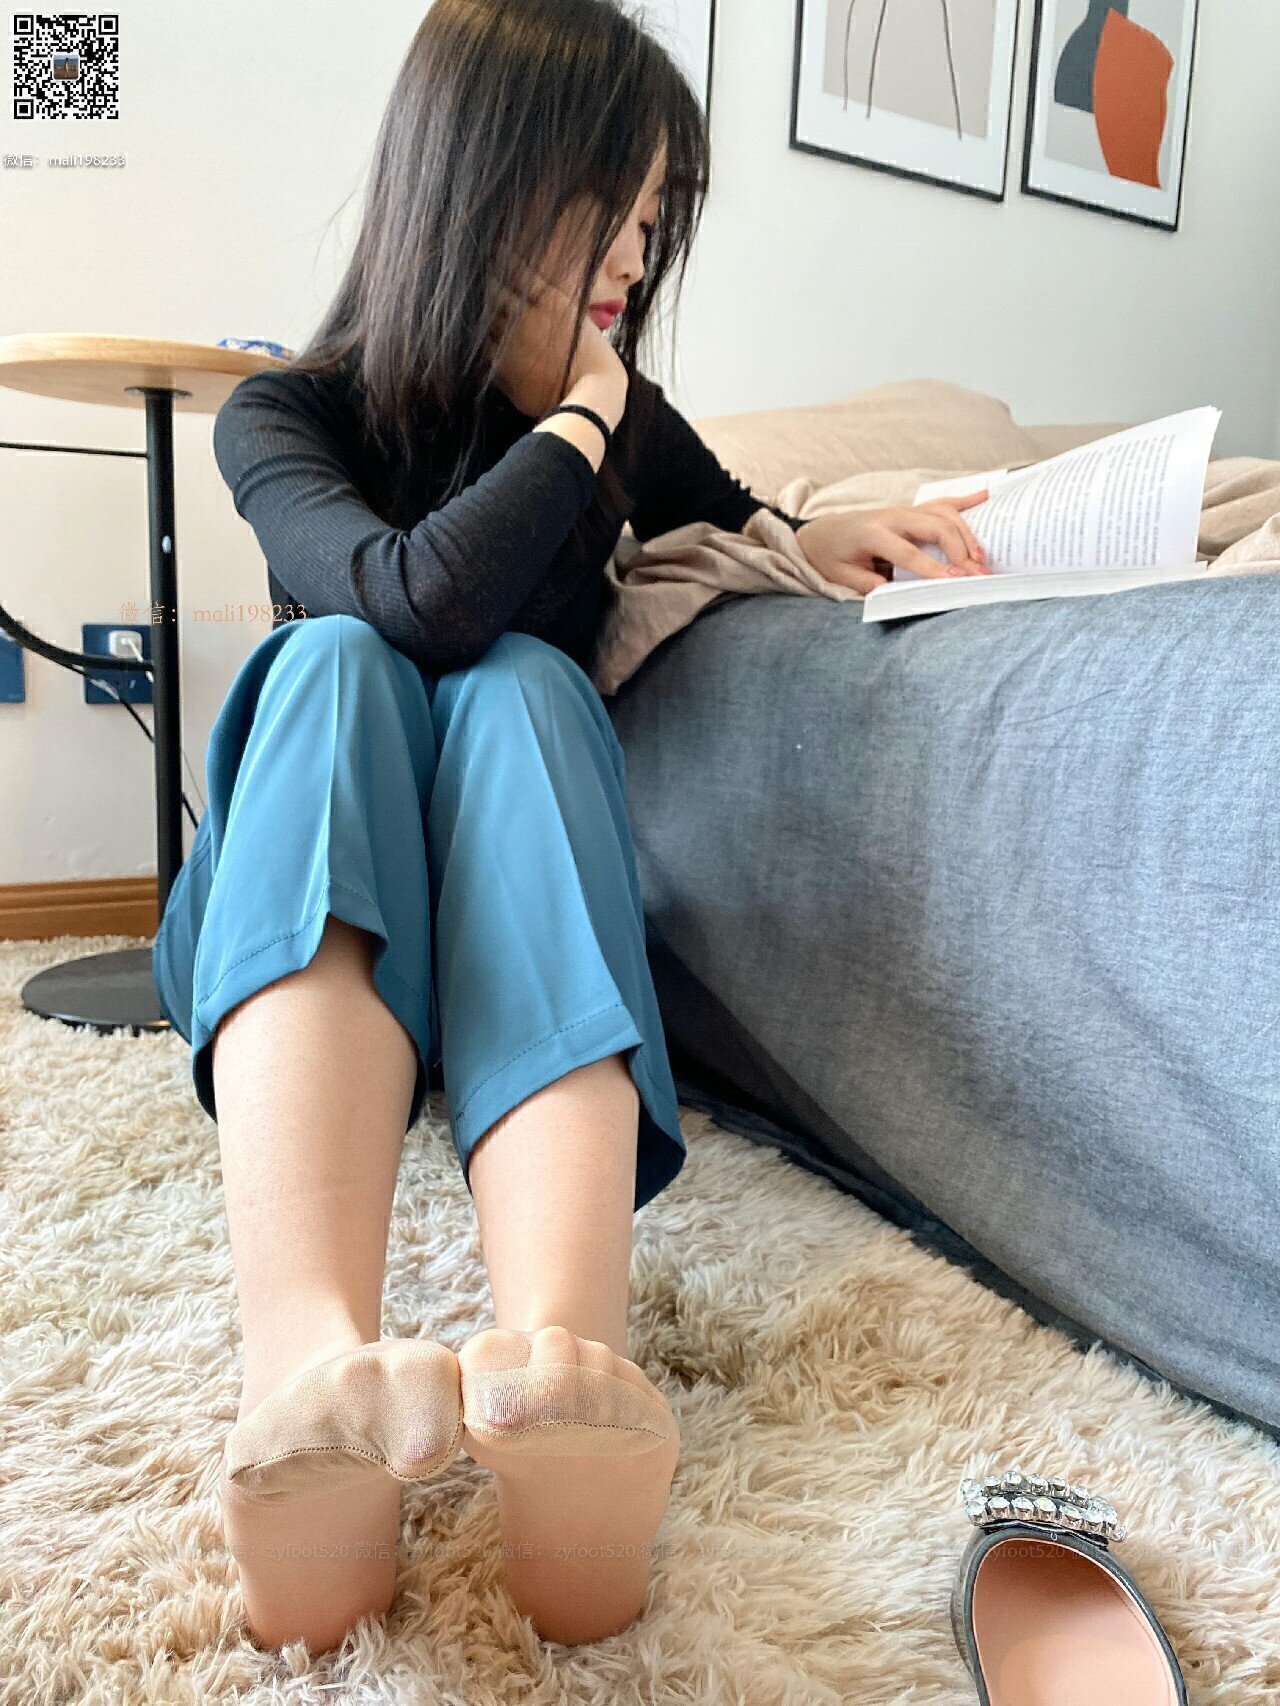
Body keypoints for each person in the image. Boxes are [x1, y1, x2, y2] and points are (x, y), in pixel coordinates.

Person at [153, 0, 988, 1659]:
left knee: (534, 690)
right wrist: (584, 423)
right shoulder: (285, 418)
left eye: (658, 217)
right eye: (618, 204)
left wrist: (831, 533)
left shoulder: (626, 422)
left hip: (509, 943)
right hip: (307, 921)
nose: (639, 253)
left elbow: (748, 519)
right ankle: (304, 1366)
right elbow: (415, 596)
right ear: (488, 182)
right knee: (334, 662)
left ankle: (563, 1363)